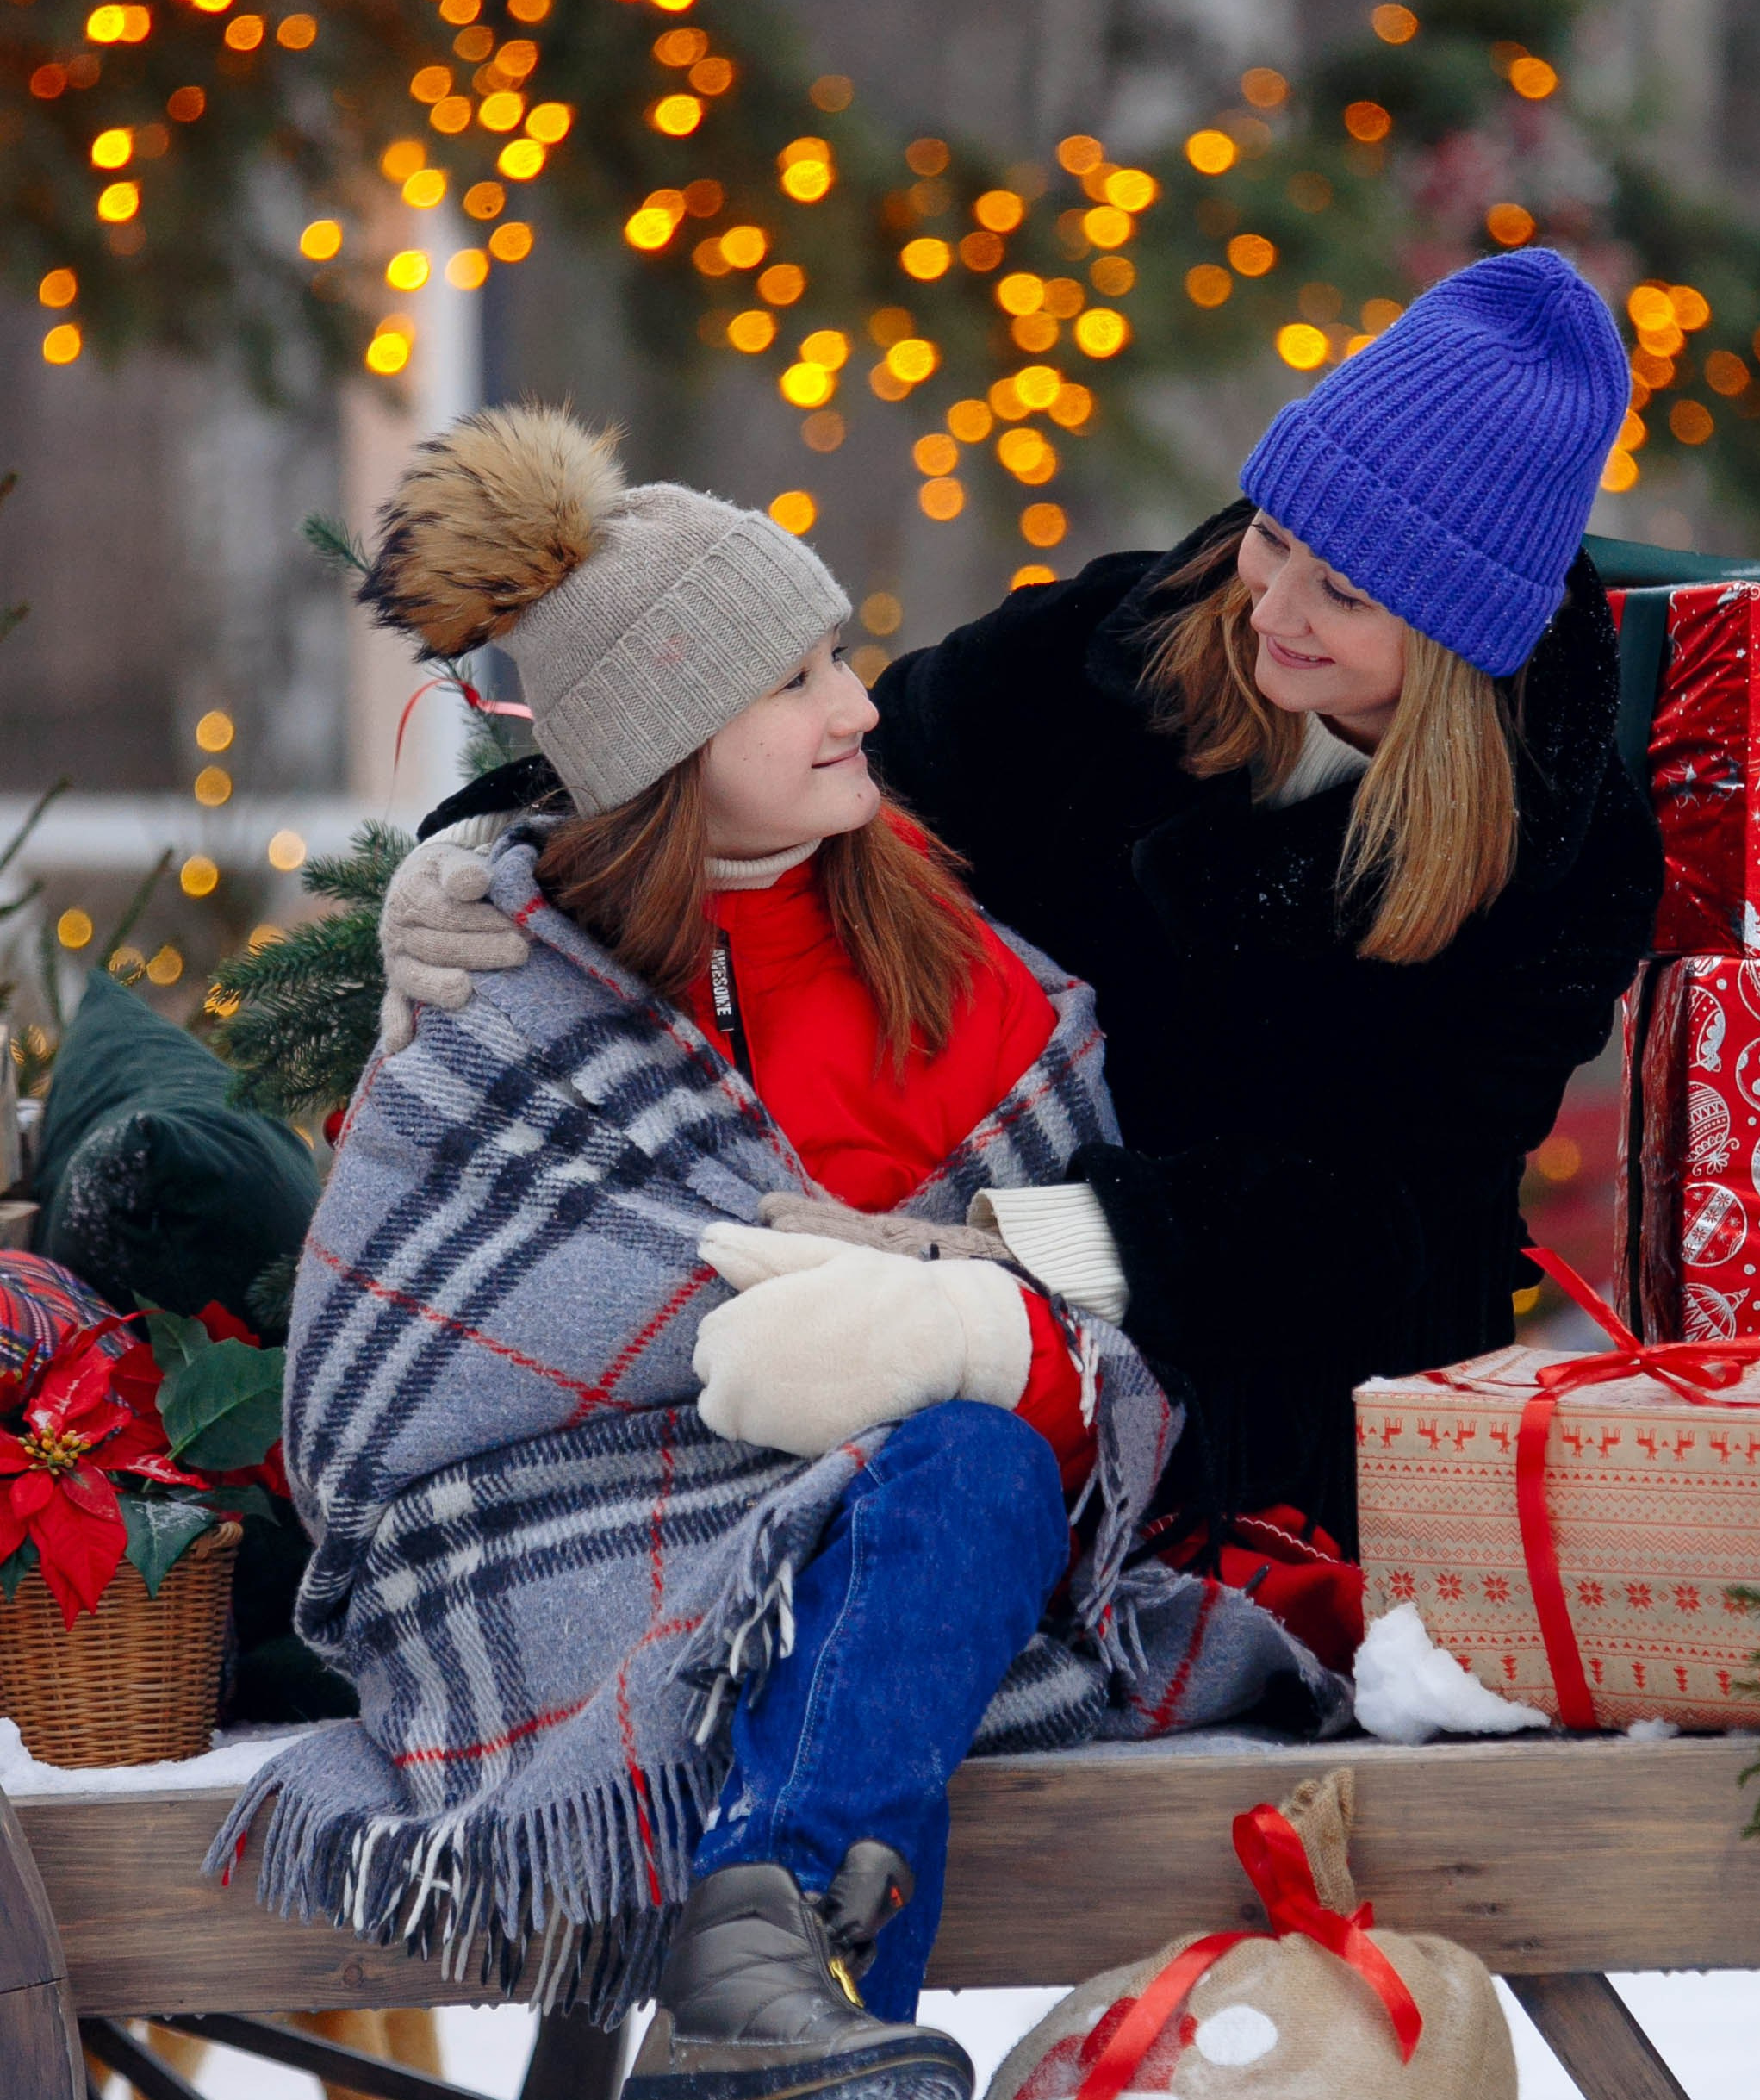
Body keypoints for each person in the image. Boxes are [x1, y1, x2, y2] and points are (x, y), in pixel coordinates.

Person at [219, 408, 1338, 2100]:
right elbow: (398, 1363)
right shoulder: (511, 982)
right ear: (652, 754)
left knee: (960, 1474)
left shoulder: (930, 936)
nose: (856, 707)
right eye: (793, 683)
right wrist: (852, 1317)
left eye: (841, 657)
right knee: (895, 1642)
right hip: (574, 1550)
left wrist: (933, 1310)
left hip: (903, 1553)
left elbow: (1083, 1292)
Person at [381, 246, 1660, 1550]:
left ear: (1456, 632)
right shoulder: (1128, 638)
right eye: (1271, 536)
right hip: (923, 1222)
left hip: (1273, 1379)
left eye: (1341, 592)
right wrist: (505, 846)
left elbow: (1378, 1216)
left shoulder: (1556, 854)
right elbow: (814, 767)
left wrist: (999, 1259)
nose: (1269, 601)